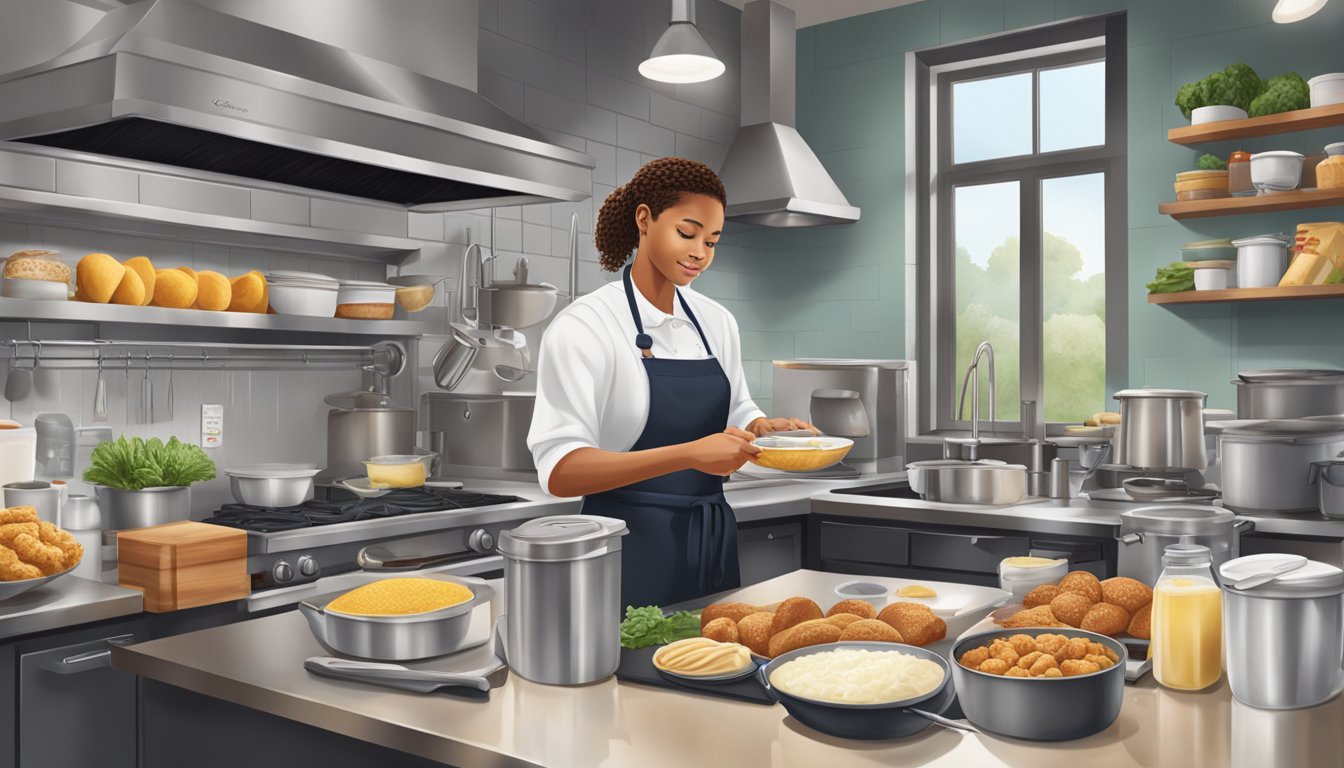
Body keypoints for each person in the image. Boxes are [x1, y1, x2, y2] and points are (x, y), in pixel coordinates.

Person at [527, 157, 812, 608]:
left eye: (712, 241)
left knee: (712, 665)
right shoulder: (586, 325)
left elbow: (739, 410)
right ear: (645, 219)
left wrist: (763, 430)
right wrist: (689, 454)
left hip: (710, 541)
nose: (700, 252)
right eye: (687, 232)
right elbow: (561, 471)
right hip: (623, 548)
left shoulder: (716, 322)